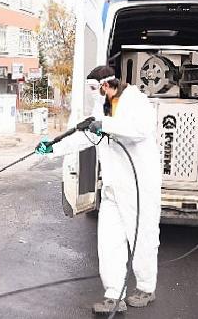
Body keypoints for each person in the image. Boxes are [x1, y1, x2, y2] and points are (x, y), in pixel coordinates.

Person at [35, 65, 161, 314]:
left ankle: (146, 287)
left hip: (139, 185)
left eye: (95, 89)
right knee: (108, 241)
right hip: (113, 185)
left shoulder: (137, 101)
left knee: (142, 237)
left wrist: (105, 125)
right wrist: (54, 148)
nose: (94, 94)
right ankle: (114, 294)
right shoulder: (102, 107)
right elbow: (88, 137)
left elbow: (139, 131)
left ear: (106, 85)